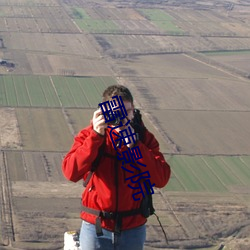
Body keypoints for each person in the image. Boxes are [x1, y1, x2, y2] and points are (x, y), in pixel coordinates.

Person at [62, 85, 171, 250]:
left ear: (133, 111)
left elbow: (161, 178)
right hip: (97, 225)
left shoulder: (143, 138)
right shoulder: (90, 135)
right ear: (104, 112)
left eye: (126, 111)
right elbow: (71, 172)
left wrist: (135, 146)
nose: (122, 117)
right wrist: (96, 136)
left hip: (132, 227)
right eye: (116, 112)